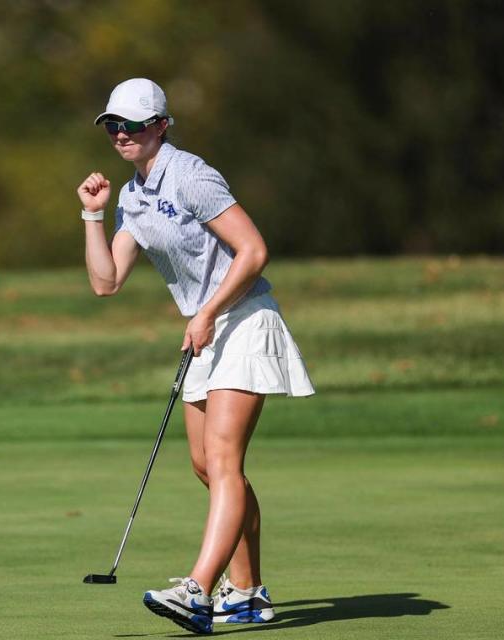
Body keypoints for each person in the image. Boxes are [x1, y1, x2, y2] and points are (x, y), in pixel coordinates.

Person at [77, 78, 315, 635]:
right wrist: (92, 214)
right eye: (114, 125)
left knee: (225, 460)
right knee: (208, 467)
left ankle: (198, 590)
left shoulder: (192, 175)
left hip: (245, 320)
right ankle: (250, 593)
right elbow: (105, 282)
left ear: (162, 125)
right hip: (206, 327)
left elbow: (253, 250)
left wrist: (206, 312)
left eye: (134, 125)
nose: (122, 135)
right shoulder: (133, 196)